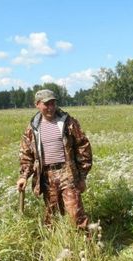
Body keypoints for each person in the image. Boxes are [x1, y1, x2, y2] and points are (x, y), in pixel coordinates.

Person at [16, 89, 92, 228]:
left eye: (53, 103)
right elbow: (27, 155)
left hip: (67, 173)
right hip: (46, 176)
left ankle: (87, 246)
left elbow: (83, 146)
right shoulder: (32, 128)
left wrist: (82, 176)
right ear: (37, 104)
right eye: (46, 104)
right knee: (52, 215)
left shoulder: (68, 122)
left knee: (76, 215)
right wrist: (23, 176)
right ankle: (55, 244)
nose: (50, 107)